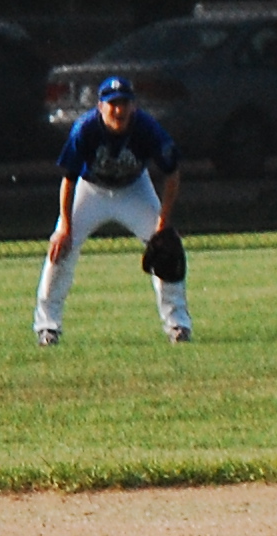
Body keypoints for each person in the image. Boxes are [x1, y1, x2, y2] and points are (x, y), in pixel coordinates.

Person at [35, 74, 191, 344]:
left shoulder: (146, 128)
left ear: (134, 106)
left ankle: (178, 325)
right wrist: (66, 227)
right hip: (90, 189)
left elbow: (172, 173)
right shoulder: (85, 129)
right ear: (100, 106)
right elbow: (69, 179)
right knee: (60, 249)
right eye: (112, 104)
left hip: (134, 188)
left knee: (167, 250)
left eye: (124, 103)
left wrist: (162, 225)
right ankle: (47, 326)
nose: (118, 110)